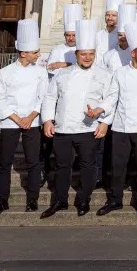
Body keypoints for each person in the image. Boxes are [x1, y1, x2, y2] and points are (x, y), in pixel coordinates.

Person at [41, 20, 112, 218]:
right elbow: (49, 98)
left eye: (91, 54)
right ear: (76, 55)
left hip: (88, 129)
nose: (87, 58)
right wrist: (47, 120)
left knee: (88, 166)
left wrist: (105, 122)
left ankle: (84, 200)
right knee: (62, 166)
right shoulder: (62, 75)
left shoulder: (104, 75)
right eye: (83, 54)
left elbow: (111, 99)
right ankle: (60, 200)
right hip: (63, 129)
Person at [99, 23, 137, 216]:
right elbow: (112, 97)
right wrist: (101, 110)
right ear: (133, 53)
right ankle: (115, 199)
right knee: (118, 166)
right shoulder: (120, 73)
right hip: (121, 127)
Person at [0, 19, 46, 215]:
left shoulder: (41, 73)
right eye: (35, 52)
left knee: (33, 161)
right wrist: (17, 118)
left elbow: (42, 97)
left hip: (32, 121)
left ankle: (33, 200)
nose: (38, 55)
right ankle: (1, 200)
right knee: (5, 162)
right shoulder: (5, 72)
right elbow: (0, 98)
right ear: (23, 53)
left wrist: (30, 117)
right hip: (10, 121)